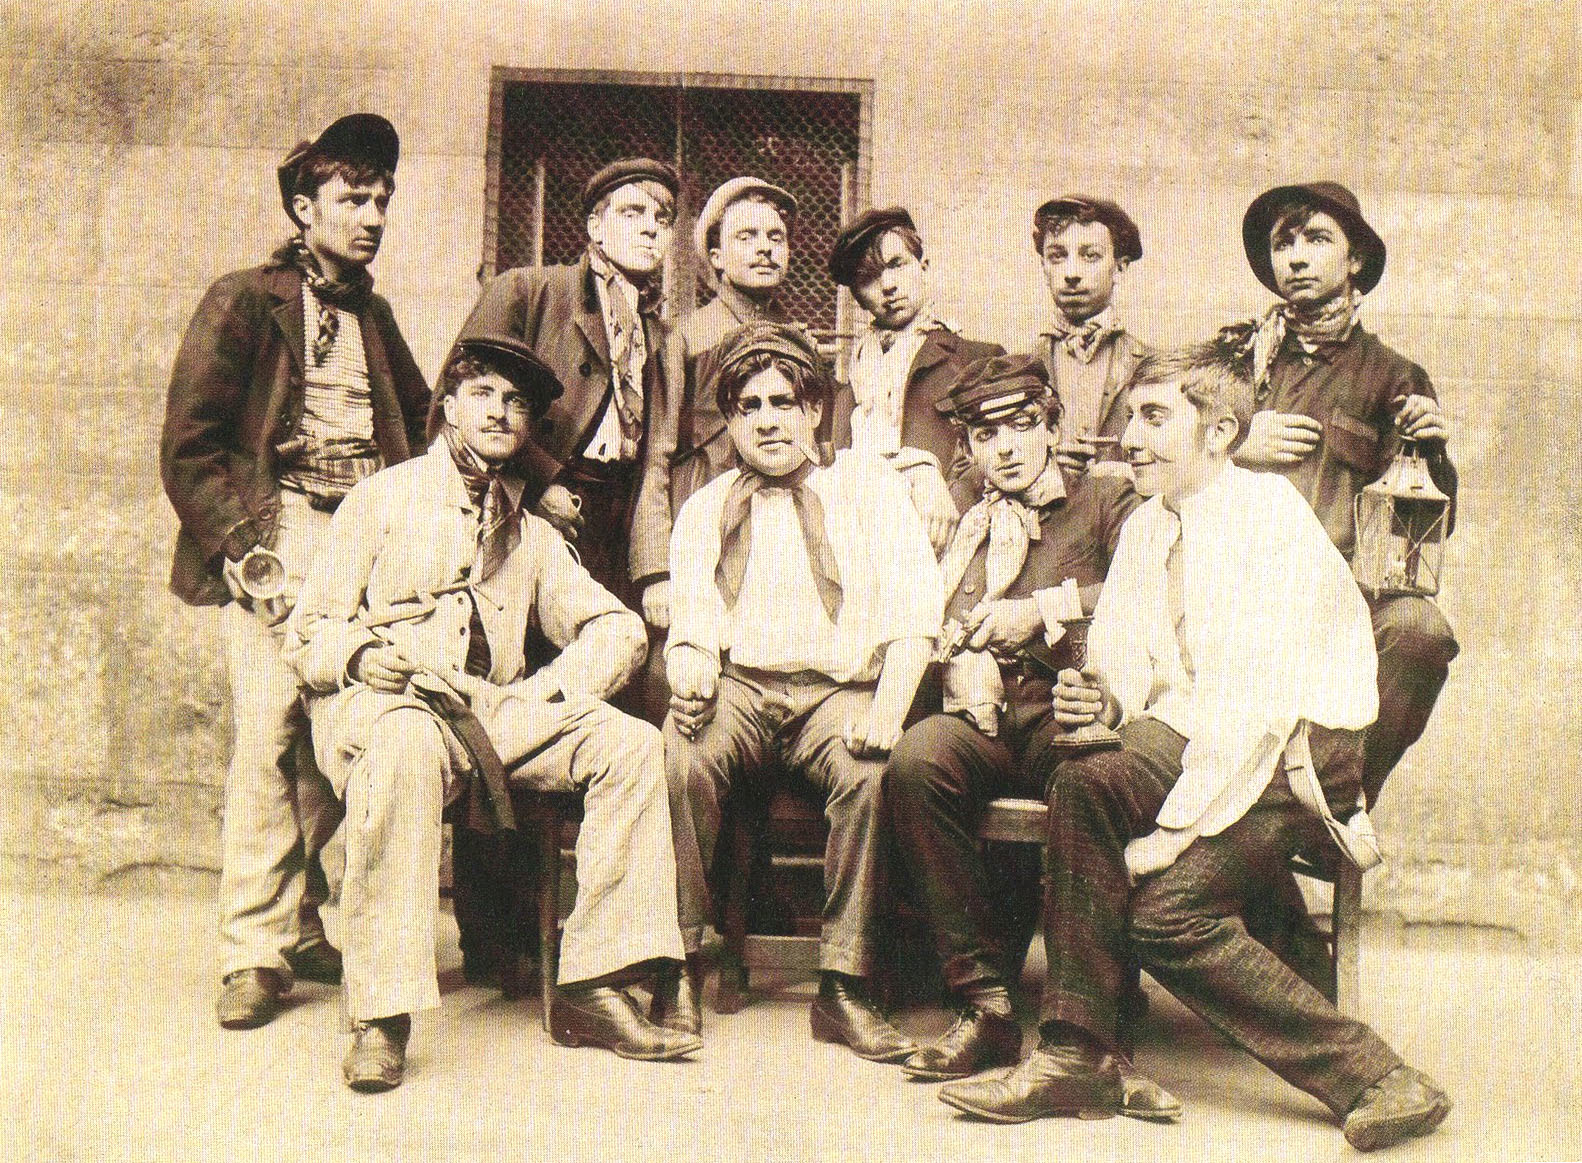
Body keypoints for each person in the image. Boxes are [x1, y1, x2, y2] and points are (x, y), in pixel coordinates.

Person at [938, 342, 1451, 1152]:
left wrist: (1162, 841)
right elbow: (1129, 665)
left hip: (1292, 752)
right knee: (1086, 780)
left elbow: (1252, 716)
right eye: (1130, 417)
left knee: (1162, 911)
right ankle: (1077, 1053)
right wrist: (1101, 698)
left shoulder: (1269, 519)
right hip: (1200, 732)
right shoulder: (1149, 524)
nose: (1130, 437)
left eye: (1154, 418)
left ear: (1220, 432)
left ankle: (1381, 1077)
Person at [284, 335, 700, 1092]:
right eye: (483, 395)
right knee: (405, 748)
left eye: (516, 403)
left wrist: (550, 692)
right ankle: (381, 1015)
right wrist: (360, 656)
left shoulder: (530, 532)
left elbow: (618, 628)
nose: (500, 412)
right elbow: (307, 633)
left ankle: (595, 982)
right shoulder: (382, 498)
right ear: (449, 406)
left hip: (489, 713)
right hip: (390, 701)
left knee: (633, 745)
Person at [160, 113, 429, 1030]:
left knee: (339, 740)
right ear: (304, 206)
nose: (373, 216)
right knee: (271, 736)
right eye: (354, 198)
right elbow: (190, 447)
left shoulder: (376, 318)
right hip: (283, 537)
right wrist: (247, 549)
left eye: (382, 200)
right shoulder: (245, 299)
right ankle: (252, 950)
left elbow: (425, 422)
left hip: (365, 545)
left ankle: (307, 924)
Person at [660, 322, 943, 1059]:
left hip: (836, 691)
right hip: (741, 685)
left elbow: (916, 615)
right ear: (730, 422)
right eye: (748, 406)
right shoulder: (707, 506)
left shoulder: (867, 491)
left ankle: (843, 984)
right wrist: (689, 671)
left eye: (783, 402)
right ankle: (681, 961)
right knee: (682, 757)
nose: (768, 421)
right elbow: (692, 618)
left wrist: (888, 710)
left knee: (870, 774)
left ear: (815, 409)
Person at [447, 158, 683, 986]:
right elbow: (463, 401)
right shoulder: (532, 290)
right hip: (530, 509)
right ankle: (494, 938)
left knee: (593, 714)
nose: (650, 227)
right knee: (505, 699)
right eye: (632, 211)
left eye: (662, 216)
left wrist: (650, 563)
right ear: (593, 227)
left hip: (613, 522)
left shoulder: (657, 331)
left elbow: (654, 453)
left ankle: (587, 932)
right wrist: (539, 482)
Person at [883, 353, 1140, 1082]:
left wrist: (1042, 609)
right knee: (917, 761)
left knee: (1094, 775)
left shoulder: (1104, 496)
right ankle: (985, 1002)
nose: (1007, 448)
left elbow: (1145, 585)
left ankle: (1092, 1010)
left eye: (1023, 425)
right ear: (968, 446)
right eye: (986, 434)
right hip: (984, 708)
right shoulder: (965, 513)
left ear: (1052, 427)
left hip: (1072, 701)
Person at [1230, 180, 1458, 807]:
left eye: (1316, 239)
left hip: (1343, 598)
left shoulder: (1394, 377)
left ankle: (1338, 799)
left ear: (1355, 258)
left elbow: (1428, 531)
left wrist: (1432, 453)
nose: (1297, 257)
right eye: (1284, 244)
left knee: (1418, 631)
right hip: (1234, 588)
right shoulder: (1236, 361)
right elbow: (1163, 463)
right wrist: (1236, 444)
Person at [828, 206, 1005, 551]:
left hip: (948, 541)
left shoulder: (977, 361)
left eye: (897, 265)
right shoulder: (851, 385)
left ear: (923, 267)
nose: (888, 286)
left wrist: (945, 487)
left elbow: (1003, 455)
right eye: (869, 278)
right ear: (858, 298)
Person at [672, 176, 799, 510]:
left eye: (776, 237)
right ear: (716, 257)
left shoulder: (795, 340)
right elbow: (659, 453)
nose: (765, 248)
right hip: (707, 506)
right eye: (746, 237)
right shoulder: (690, 339)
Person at [1029, 195, 1149, 477]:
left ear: (1119, 267)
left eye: (1090, 255)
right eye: (1057, 256)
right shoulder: (1021, 365)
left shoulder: (1150, 365)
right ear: (1044, 267)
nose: (1071, 273)